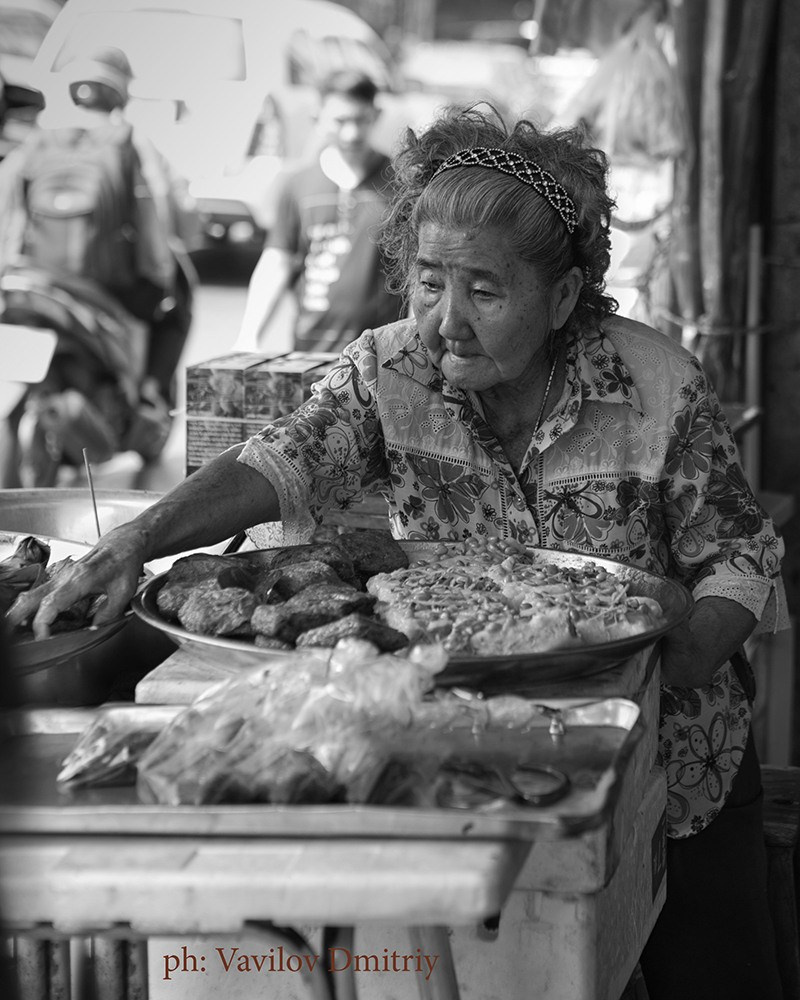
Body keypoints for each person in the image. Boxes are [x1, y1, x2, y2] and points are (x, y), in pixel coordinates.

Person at [7, 106, 788, 1000]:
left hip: (676, 757)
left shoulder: (657, 384)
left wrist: (665, 665)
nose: (446, 321)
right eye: (426, 282)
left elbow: (739, 557)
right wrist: (133, 541)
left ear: (565, 298)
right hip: (463, 752)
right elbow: (279, 460)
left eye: (484, 292)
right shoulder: (389, 369)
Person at [0, 44, 198, 411]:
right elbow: (160, 215)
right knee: (176, 309)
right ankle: (151, 393)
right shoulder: (129, 141)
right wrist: (162, 274)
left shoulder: (38, 139)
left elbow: (7, 207)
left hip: (36, 279)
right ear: (122, 89)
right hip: (108, 286)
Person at [234, 69, 403, 355]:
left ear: (376, 115)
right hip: (310, 355)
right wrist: (248, 335)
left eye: (361, 120)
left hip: (381, 358)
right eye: (340, 121)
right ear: (318, 117)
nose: (352, 133)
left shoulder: (399, 184)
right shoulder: (298, 185)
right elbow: (277, 261)